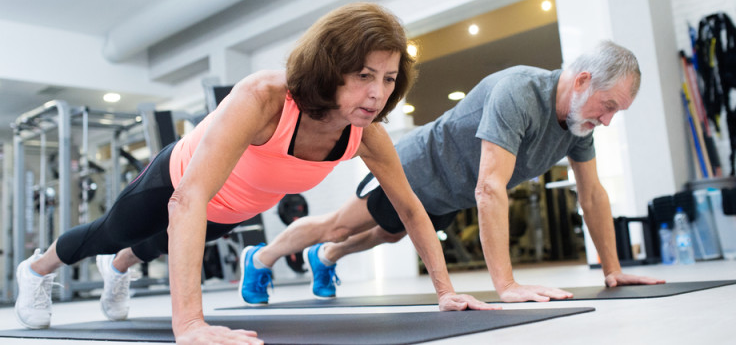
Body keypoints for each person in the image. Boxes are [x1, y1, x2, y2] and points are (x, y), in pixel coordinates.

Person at [13, 3, 492, 345]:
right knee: (111, 232)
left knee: (152, 247)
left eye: (388, 79)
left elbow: (410, 208)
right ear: (330, 68)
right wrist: (191, 324)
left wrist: (446, 293)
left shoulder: (365, 133)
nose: (377, 94)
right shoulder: (265, 98)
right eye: (364, 75)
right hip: (178, 182)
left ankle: (117, 268)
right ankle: (37, 270)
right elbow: (186, 200)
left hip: (236, 206)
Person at [243, 41, 666, 305]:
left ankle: (325, 258)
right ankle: (260, 258)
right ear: (583, 81)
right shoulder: (520, 91)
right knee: (339, 225)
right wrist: (507, 285)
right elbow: (490, 188)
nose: (607, 120)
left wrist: (612, 268)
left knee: (388, 234)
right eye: (607, 106)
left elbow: (591, 195)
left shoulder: (578, 123)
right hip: (415, 168)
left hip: (450, 194)